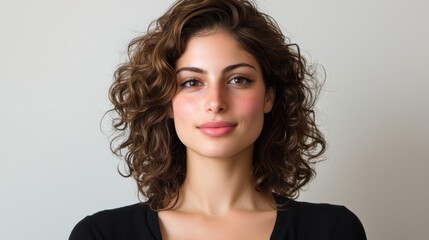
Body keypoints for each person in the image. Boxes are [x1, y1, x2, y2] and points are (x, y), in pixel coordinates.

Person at [69, 0, 366, 239]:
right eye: (191, 82)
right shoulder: (101, 235)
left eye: (238, 79)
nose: (215, 103)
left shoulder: (332, 230)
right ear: (166, 102)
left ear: (269, 97)